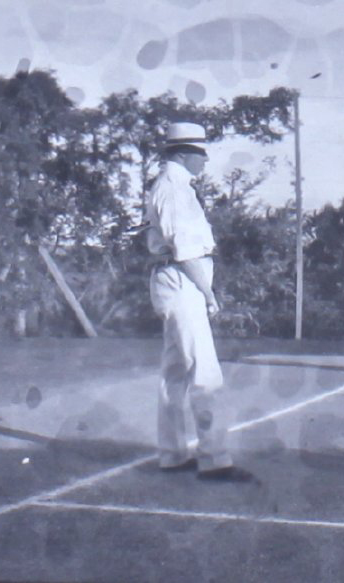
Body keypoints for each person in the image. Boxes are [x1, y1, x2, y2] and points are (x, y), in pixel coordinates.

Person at [145, 122, 255, 483]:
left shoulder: (175, 187)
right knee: (204, 372)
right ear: (182, 154)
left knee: (175, 371)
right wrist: (207, 292)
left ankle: (173, 454)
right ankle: (214, 458)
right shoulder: (174, 189)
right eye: (199, 153)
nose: (205, 160)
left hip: (175, 279)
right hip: (182, 280)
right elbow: (185, 248)